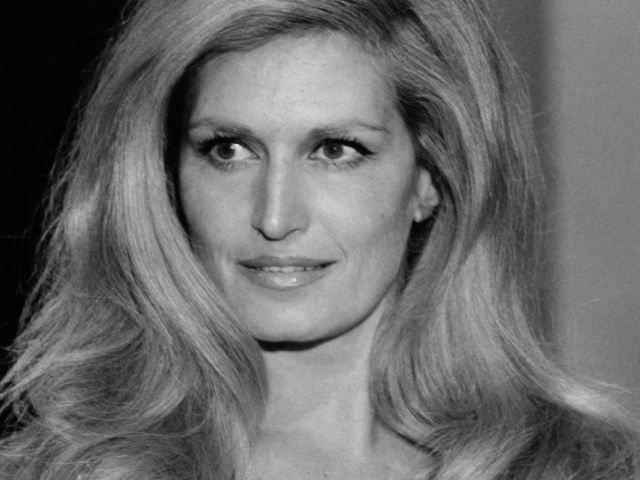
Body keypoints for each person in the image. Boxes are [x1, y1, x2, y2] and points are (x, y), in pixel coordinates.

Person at [1, 0, 638, 478]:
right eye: (229, 149)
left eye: (336, 150)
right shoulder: (64, 470)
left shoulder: (577, 468)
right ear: (166, 176)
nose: (275, 218)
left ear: (429, 177)